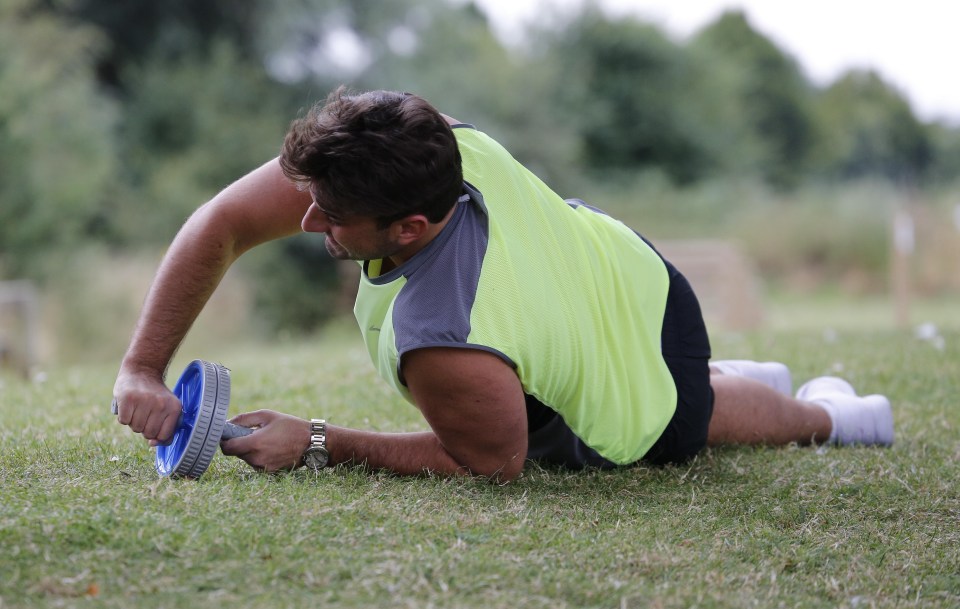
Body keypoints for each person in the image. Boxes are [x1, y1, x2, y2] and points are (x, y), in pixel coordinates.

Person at [111, 87, 894, 481]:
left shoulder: (443, 340)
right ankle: (744, 376)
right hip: (622, 266)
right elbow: (223, 223)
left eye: (334, 216)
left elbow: (491, 460)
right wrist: (141, 366)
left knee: (690, 409)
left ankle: (839, 417)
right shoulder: (419, 144)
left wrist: (317, 440)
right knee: (656, 369)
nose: (309, 220)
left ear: (410, 228)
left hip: (637, 337)